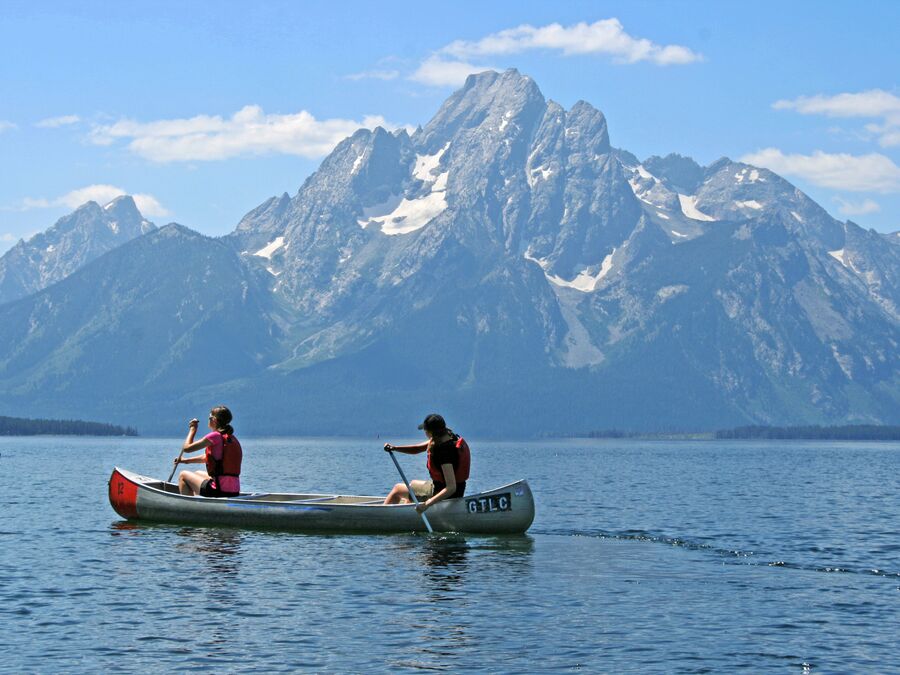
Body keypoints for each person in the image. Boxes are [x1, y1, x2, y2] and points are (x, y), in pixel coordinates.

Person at [382, 413, 470, 512]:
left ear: (431, 432)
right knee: (413, 486)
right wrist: (395, 448)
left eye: (425, 430)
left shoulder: (444, 451)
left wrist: (427, 504)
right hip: (452, 490)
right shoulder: (448, 437)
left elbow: (451, 487)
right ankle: (411, 517)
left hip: (446, 494)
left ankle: (381, 517)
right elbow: (417, 449)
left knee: (397, 489)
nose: (425, 433)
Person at [173, 406, 243, 497]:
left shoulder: (214, 436)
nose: (208, 420)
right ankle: (198, 498)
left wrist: (193, 429)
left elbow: (187, 448)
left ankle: (189, 504)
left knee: (183, 475)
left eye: (209, 418)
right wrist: (185, 461)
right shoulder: (231, 438)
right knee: (198, 473)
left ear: (214, 420)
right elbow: (207, 457)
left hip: (219, 490)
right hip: (234, 490)